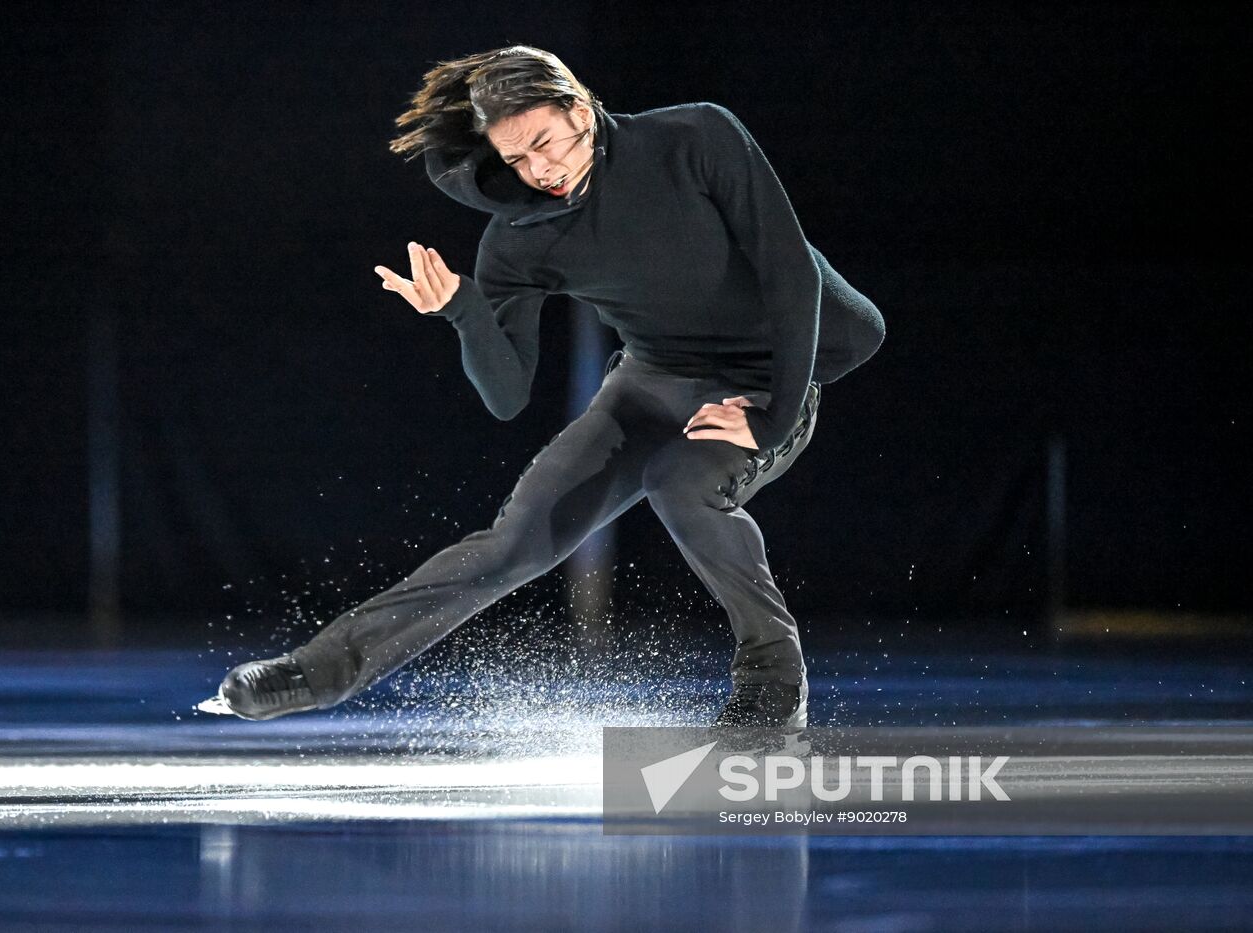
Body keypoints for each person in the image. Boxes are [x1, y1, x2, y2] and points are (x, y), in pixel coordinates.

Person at [213, 45, 884, 728]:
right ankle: (317, 670)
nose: (540, 170)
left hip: (768, 379)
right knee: (512, 545)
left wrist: (771, 417)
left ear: (579, 107)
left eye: (544, 142)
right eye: (517, 159)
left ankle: (773, 683)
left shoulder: (696, 137)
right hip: (649, 384)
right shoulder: (520, 239)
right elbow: (507, 396)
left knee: (681, 484)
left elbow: (792, 276)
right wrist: (463, 310)